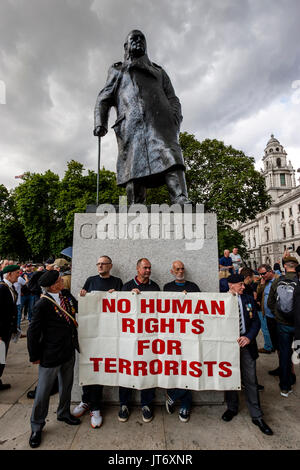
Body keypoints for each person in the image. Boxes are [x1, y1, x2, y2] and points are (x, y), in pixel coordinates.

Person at [94, 30, 190, 205]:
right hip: (132, 126)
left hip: (161, 125)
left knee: (172, 156)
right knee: (133, 166)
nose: (138, 41)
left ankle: (180, 198)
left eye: (141, 38)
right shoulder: (117, 70)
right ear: (126, 46)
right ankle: (136, 205)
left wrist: (175, 117)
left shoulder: (159, 72)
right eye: (133, 38)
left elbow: (172, 97)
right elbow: (104, 98)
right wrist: (100, 122)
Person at [27, 270, 80, 448]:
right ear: (52, 286)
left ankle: (63, 412)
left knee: (66, 386)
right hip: (50, 355)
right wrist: (34, 355)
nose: (62, 281)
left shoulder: (65, 295)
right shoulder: (42, 304)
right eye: (59, 280)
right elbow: (33, 333)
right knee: (43, 392)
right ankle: (37, 426)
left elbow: (77, 307)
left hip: (68, 351)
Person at [72, 255, 123, 428]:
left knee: (100, 368)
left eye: (103, 264)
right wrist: (83, 296)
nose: (100, 266)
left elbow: (124, 306)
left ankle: (95, 407)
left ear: (110, 265)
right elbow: (83, 304)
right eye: (98, 264)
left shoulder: (117, 282)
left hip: (108, 334)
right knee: (88, 366)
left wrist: (115, 296)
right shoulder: (90, 280)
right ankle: (86, 400)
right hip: (90, 332)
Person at [221, 274, 273, 436]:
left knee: (251, 380)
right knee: (230, 378)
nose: (243, 287)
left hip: (246, 345)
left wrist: (249, 337)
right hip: (227, 347)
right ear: (231, 285)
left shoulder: (248, 299)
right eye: (240, 285)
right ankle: (232, 408)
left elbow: (256, 322)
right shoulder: (220, 300)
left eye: (243, 284)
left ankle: (257, 415)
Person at [118, 258, 160, 423]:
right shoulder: (127, 286)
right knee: (127, 368)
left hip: (148, 338)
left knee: (148, 368)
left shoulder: (155, 287)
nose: (148, 270)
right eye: (145, 268)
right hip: (129, 337)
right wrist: (129, 296)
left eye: (149, 267)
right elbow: (119, 310)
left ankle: (147, 404)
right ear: (137, 269)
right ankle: (123, 404)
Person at [163, 260, 200, 422]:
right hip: (172, 335)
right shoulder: (166, 287)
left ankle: (180, 401)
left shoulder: (193, 287)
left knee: (189, 370)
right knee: (174, 368)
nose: (180, 271)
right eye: (177, 269)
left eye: (182, 268)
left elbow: (202, 307)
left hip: (190, 335)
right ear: (172, 271)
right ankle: (174, 394)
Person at [267, 256, 299, 397]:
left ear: (284, 266)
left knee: (285, 354)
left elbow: (270, 303)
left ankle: (285, 386)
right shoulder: (298, 281)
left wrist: (278, 315)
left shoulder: (277, 281)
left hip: (283, 324)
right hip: (298, 324)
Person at [0, 265, 19, 390]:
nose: (19, 275)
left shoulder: (10, 288)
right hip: (1, 332)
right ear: (9, 274)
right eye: (17, 273)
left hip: (6, 330)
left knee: (1, 358)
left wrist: (13, 329)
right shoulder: (2, 289)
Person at [256, 265, 278, 358]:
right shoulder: (265, 281)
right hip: (268, 315)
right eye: (260, 274)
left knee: (282, 345)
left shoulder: (278, 281)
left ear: (270, 271)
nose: (262, 276)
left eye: (263, 273)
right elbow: (259, 293)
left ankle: (287, 369)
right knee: (275, 342)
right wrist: (261, 283)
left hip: (276, 317)